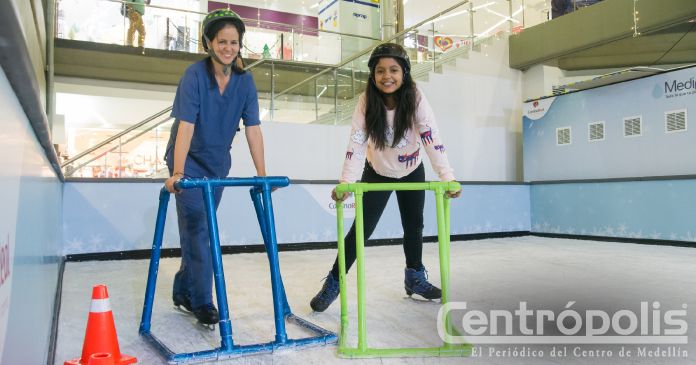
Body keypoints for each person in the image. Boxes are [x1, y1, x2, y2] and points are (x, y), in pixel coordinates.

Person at [310, 43, 462, 312]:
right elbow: (357, 143)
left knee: (414, 226)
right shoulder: (367, 101)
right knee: (360, 231)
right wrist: (346, 182)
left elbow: (431, 136)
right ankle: (334, 281)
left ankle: (414, 276)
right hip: (377, 172)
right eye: (380, 71)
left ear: (404, 72)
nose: (387, 76)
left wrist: (447, 176)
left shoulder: (415, 96)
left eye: (393, 70)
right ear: (372, 75)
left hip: (412, 170)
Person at [164, 9, 268, 326]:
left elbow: (253, 128)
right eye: (222, 41)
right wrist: (178, 174)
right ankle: (202, 301)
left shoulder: (245, 82)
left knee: (199, 229)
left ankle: (183, 288)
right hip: (188, 160)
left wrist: (263, 176)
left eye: (234, 42)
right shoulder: (194, 75)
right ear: (209, 42)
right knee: (201, 229)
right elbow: (185, 125)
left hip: (218, 163)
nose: (228, 47)